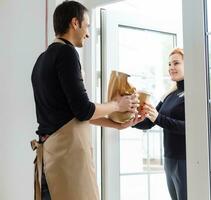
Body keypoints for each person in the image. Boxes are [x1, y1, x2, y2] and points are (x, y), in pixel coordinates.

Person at [31, 1, 139, 200]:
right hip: (66, 159)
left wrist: (115, 125)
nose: (88, 33)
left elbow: (71, 113)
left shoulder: (42, 59)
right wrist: (117, 105)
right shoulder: (67, 53)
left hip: (50, 158)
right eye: (87, 26)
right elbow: (83, 110)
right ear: (75, 23)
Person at [129, 48, 187, 200]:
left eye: (176, 63)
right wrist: (132, 120)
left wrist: (157, 118)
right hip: (169, 159)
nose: (171, 68)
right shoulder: (169, 94)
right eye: (169, 64)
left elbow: (187, 127)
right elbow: (150, 122)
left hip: (186, 159)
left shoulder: (194, 92)